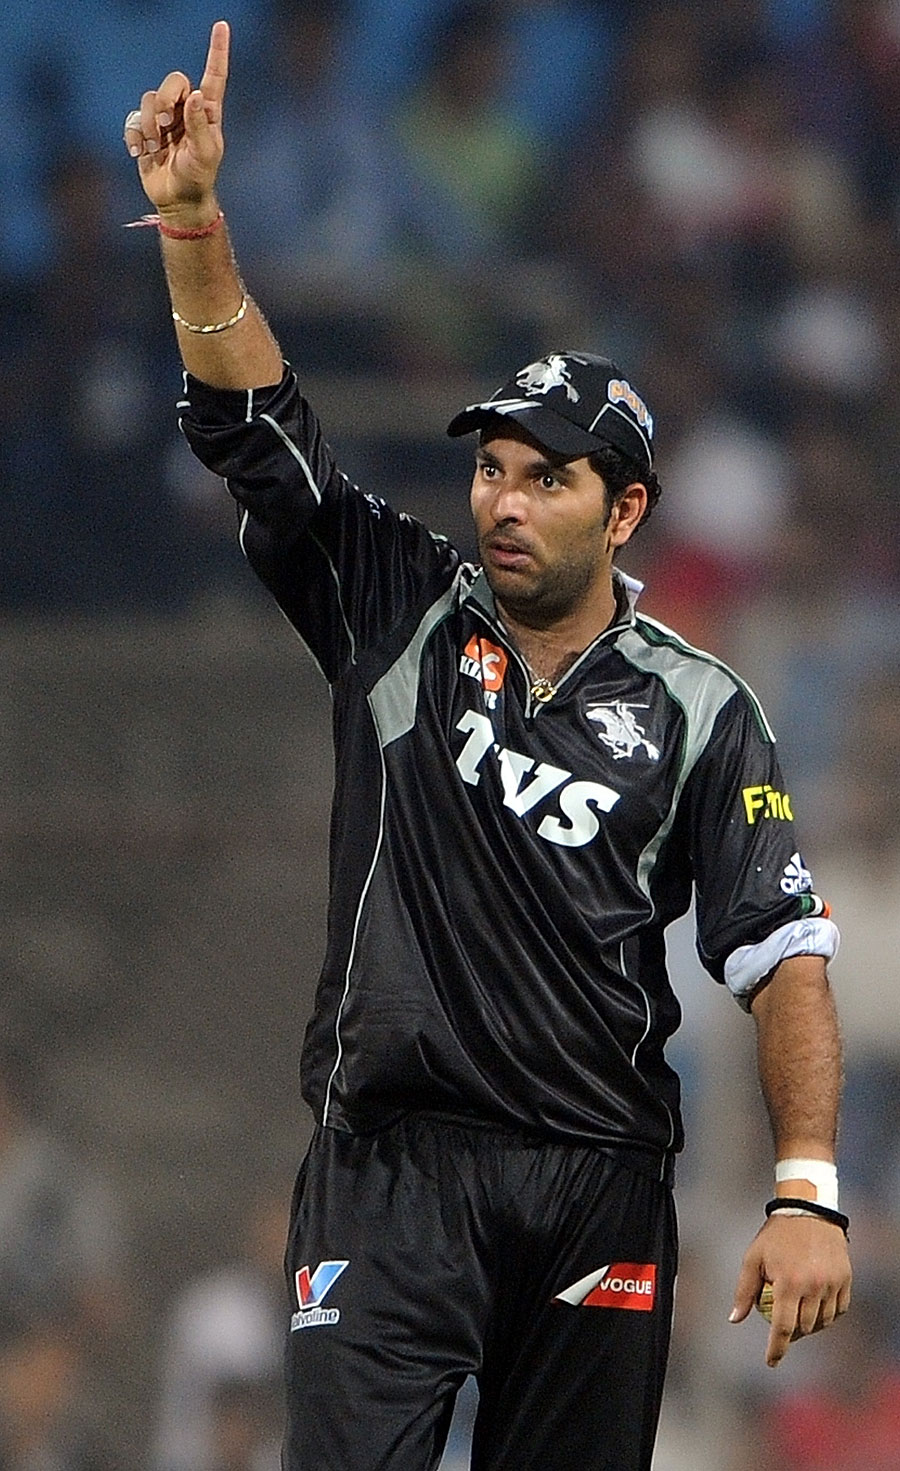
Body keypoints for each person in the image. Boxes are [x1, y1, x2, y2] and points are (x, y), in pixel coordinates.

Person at [124, 23, 852, 1470]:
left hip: (596, 1186)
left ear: (625, 512)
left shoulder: (705, 709)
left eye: (547, 478)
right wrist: (195, 223)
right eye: (491, 469)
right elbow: (256, 427)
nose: (504, 503)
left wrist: (805, 1191)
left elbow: (782, 952)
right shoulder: (393, 603)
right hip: (387, 1173)